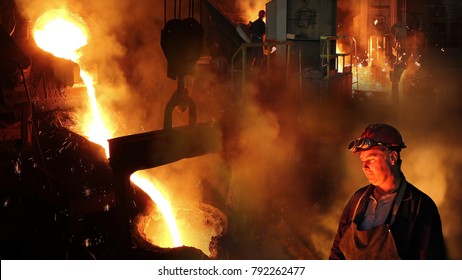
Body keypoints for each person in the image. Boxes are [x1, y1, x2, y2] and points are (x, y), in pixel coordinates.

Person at [329, 123, 446, 259]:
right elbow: (337, 251)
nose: (364, 167)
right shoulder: (357, 199)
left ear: (392, 157)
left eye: (371, 159)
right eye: (362, 161)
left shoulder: (420, 206)